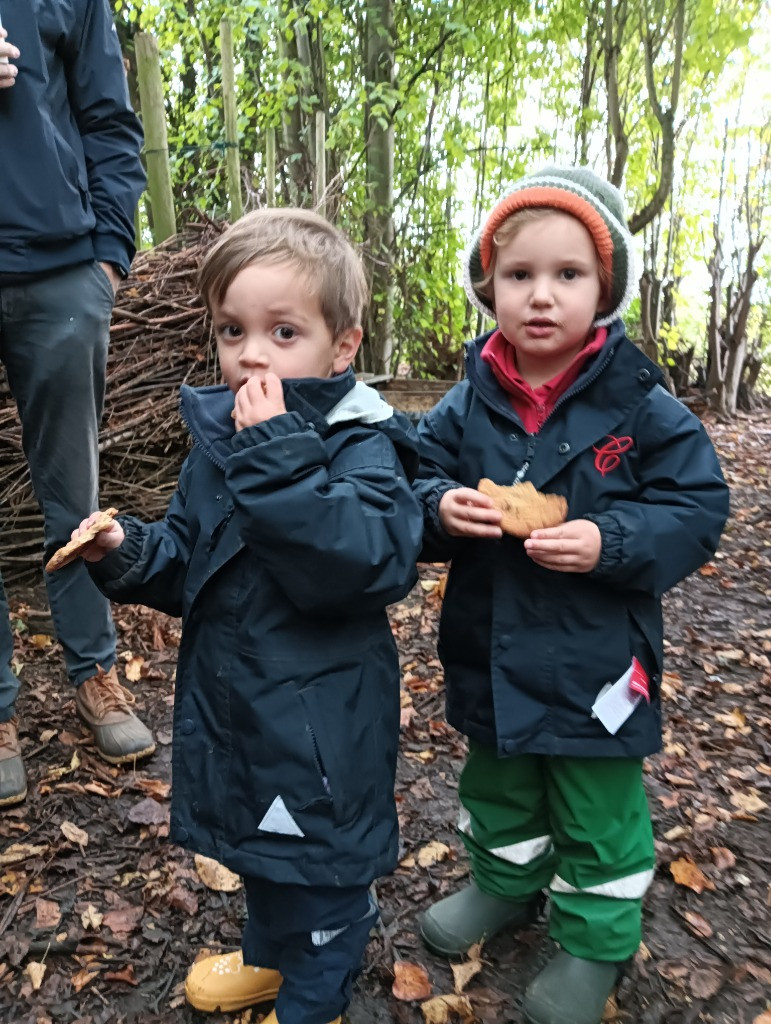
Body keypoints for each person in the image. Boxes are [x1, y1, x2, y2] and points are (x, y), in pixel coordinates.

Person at [71, 208, 424, 1024]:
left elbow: (364, 561)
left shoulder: (361, 446)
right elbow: (192, 562)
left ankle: (315, 994)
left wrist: (275, 455)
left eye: (283, 331)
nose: (251, 353)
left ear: (343, 347)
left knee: (322, 873)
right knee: (263, 855)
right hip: (239, 709)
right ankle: (270, 959)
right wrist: (125, 550)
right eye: (233, 330)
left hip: (320, 727)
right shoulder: (219, 448)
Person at [412, 167, 729, 1024]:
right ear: (488, 287)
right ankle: (505, 883)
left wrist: (611, 539)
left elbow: (698, 504)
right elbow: (410, 474)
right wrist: (439, 509)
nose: (540, 297)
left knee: (597, 804)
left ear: (605, 287)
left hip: (598, 656)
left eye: (567, 276)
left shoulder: (639, 400)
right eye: (518, 276)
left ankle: (594, 938)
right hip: (489, 642)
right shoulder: (466, 397)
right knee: (499, 781)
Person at [0, 0, 152, 807]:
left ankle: (94, 671)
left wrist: (108, 260)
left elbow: (107, 117)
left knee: (74, 493)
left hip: (60, 271)